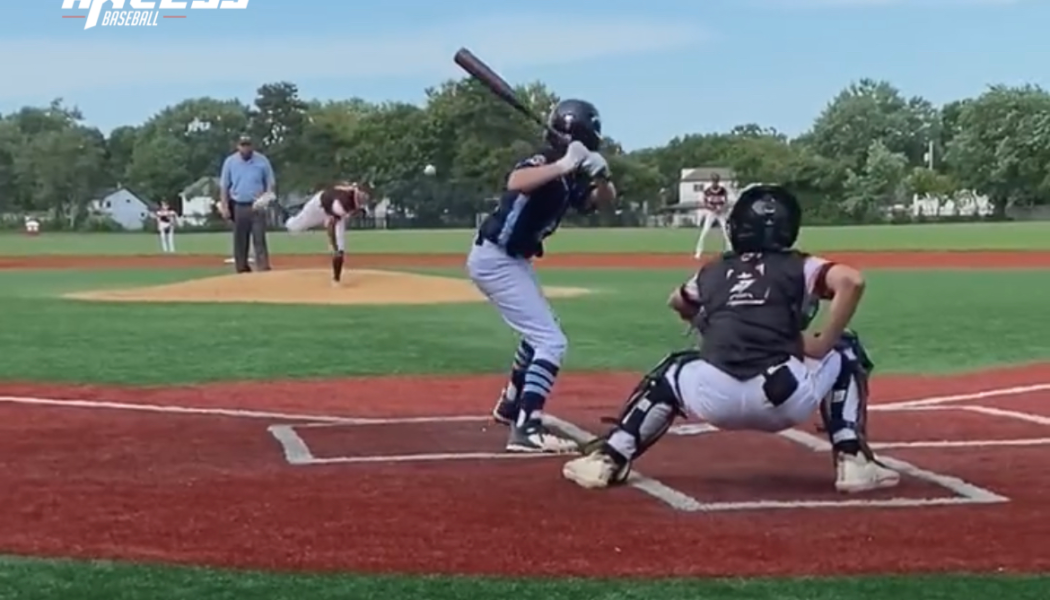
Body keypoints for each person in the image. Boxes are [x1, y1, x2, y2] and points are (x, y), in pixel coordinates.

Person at [562, 184, 900, 493]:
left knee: (673, 369)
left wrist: (705, 323)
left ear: (737, 226)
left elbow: (677, 300)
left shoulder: (714, 269)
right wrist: (824, 341)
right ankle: (852, 460)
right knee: (845, 349)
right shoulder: (800, 264)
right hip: (784, 396)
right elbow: (851, 281)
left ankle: (610, 457)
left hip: (714, 395)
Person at [468, 99, 617, 453]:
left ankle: (510, 406)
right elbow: (516, 181)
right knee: (552, 342)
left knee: (540, 334)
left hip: (513, 260)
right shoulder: (547, 159)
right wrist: (564, 163)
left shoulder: (571, 175)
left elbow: (603, 202)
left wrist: (602, 175)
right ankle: (526, 428)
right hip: (496, 259)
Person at [284, 181, 370, 285]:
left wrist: (336, 248)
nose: (365, 197)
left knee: (340, 247)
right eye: (363, 194)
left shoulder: (352, 194)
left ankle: (336, 279)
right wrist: (332, 243)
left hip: (336, 212)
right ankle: (285, 218)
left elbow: (340, 187)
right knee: (295, 227)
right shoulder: (342, 203)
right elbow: (331, 225)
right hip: (318, 207)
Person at [219, 135, 275, 273]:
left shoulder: (262, 161)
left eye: (248, 145)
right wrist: (224, 205)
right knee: (240, 239)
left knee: (259, 237)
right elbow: (224, 186)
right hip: (238, 204)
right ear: (238, 146)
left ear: (252, 146)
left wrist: (267, 198)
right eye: (243, 145)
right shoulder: (230, 162)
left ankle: (263, 266)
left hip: (257, 204)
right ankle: (242, 267)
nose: (245, 148)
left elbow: (270, 183)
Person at [693, 173, 731, 259]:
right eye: (713, 181)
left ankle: (730, 250)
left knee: (726, 232)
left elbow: (726, 202)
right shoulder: (707, 191)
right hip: (711, 213)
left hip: (721, 213)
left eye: (716, 181)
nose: (715, 183)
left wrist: (721, 208)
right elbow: (705, 203)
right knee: (705, 231)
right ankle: (698, 252)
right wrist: (712, 208)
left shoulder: (722, 190)